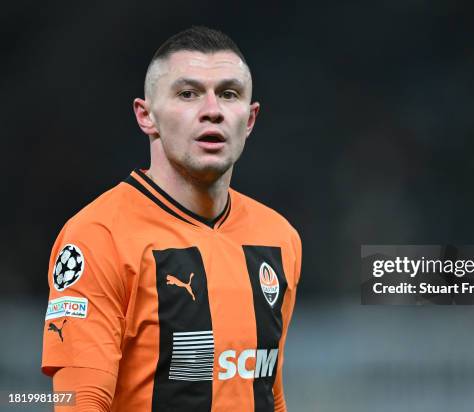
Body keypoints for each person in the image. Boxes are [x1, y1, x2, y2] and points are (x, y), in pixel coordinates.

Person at [41, 26, 302, 412]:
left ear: (248, 119)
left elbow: (266, 392)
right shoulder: (98, 236)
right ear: (146, 116)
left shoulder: (279, 238)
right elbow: (81, 403)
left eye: (229, 94)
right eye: (188, 93)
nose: (212, 109)